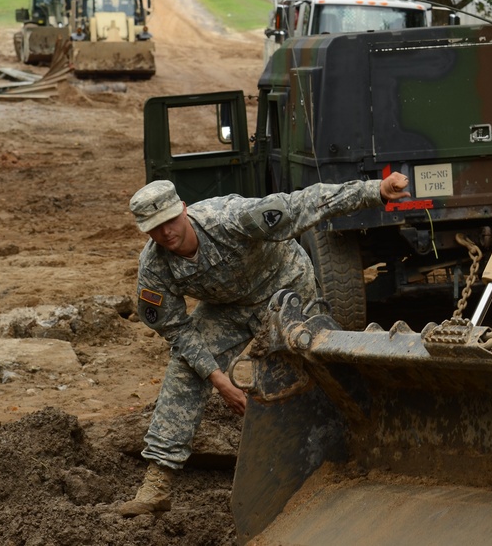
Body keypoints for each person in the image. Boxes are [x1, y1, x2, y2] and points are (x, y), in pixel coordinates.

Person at [118, 173, 410, 517]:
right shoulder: (153, 266)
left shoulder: (230, 219)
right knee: (186, 367)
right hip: (228, 309)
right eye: (155, 227)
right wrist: (219, 380)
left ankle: (351, 441)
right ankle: (157, 483)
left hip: (285, 290)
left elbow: (303, 204)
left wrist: (374, 191)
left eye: (170, 221)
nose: (166, 232)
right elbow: (177, 330)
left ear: (183, 209)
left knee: (306, 362)